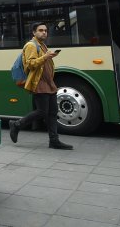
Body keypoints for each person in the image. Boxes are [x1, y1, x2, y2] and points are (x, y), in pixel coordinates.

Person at [9, 22, 73, 150]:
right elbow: (31, 64)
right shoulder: (31, 45)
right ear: (34, 32)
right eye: (40, 30)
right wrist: (46, 57)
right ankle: (17, 124)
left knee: (53, 113)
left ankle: (54, 141)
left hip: (49, 83)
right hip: (39, 84)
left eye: (45, 30)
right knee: (42, 111)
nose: (44, 32)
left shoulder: (42, 45)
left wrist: (48, 56)